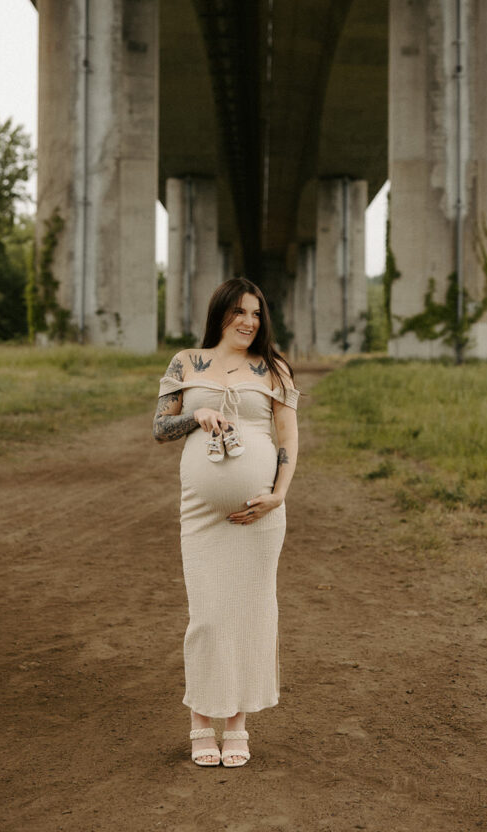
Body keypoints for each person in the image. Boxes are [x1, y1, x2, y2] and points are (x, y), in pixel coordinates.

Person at [153, 277, 299, 768]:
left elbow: (287, 436)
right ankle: (201, 720)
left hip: (259, 514)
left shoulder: (273, 368)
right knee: (209, 616)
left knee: (252, 614)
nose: (248, 321)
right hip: (202, 512)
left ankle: (236, 723)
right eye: (239, 311)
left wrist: (278, 495)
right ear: (220, 314)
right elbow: (160, 429)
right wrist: (198, 416)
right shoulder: (186, 362)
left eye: (256, 314)